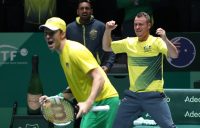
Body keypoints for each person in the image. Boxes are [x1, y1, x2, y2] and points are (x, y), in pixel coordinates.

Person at [39, 17, 120, 128]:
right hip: (96, 103)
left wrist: (88, 102)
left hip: (104, 102)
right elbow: (75, 87)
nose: (48, 36)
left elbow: (99, 77)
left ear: (62, 34)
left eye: (52, 33)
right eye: (46, 33)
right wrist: (54, 99)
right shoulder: (63, 55)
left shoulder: (74, 51)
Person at [102, 12, 178, 128]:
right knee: (117, 126)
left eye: (141, 24)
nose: (137, 27)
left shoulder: (156, 42)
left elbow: (174, 55)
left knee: (169, 126)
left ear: (149, 25)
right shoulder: (129, 42)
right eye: (135, 24)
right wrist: (108, 30)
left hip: (154, 97)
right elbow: (106, 47)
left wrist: (165, 39)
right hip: (133, 97)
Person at [66, 0, 115, 73]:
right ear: (77, 11)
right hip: (77, 70)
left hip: (97, 69)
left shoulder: (100, 26)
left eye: (87, 8)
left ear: (91, 11)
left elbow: (111, 48)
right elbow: (65, 51)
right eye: (82, 8)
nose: (84, 11)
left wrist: (108, 65)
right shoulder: (69, 28)